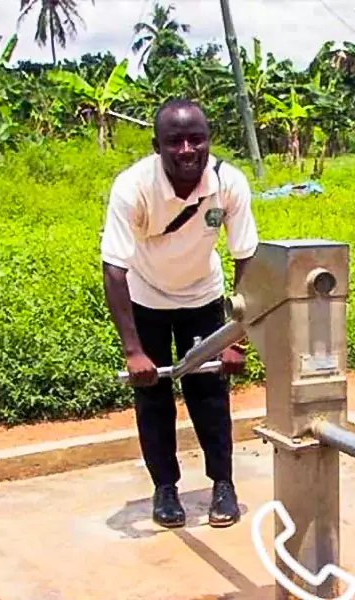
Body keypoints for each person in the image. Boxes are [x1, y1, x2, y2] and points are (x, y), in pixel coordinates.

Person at [99, 98, 259, 529]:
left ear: (209, 141)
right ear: (157, 146)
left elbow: (246, 257)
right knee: (153, 399)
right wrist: (133, 351)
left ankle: (222, 484)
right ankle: (165, 488)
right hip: (146, 298)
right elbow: (114, 269)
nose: (187, 150)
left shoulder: (229, 183)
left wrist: (236, 337)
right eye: (174, 141)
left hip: (203, 296)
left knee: (210, 397)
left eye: (196, 139)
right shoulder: (132, 187)